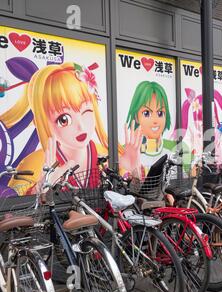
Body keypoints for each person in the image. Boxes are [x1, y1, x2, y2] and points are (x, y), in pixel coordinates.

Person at [5, 62, 141, 194]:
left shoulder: (106, 155)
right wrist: (41, 187)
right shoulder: (34, 162)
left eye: (86, 111)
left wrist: (134, 171)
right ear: (43, 121)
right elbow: (12, 207)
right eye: (64, 119)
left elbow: (134, 195)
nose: (80, 126)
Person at [126, 81, 176, 173]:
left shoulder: (170, 152)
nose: (155, 120)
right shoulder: (129, 152)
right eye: (146, 113)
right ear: (136, 117)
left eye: (160, 113)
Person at [179, 89, 222, 163]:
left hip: (215, 167)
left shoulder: (217, 133)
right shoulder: (192, 132)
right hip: (198, 167)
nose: (204, 123)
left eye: (213, 117)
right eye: (201, 120)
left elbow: (221, 152)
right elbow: (186, 145)